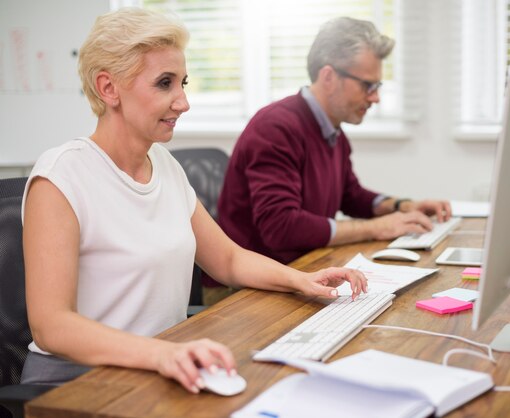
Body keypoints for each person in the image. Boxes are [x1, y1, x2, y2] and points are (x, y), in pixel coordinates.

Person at [20, 8, 367, 395]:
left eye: (182, 83)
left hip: (158, 367)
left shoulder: (165, 166)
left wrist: (301, 280)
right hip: (77, 384)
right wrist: (159, 354)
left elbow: (229, 260)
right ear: (108, 88)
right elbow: (51, 326)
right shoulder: (61, 176)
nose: (183, 102)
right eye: (164, 84)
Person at [217, 17, 452, 266]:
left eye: (378, 86)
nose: (376, 98)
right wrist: (376, 228)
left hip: (300, 267)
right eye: (368, 86)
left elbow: (350, 195)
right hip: (245, 288)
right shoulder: (276, 128)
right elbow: (281, 227)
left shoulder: (331, 128)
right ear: (329, 76)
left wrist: (402, 206)